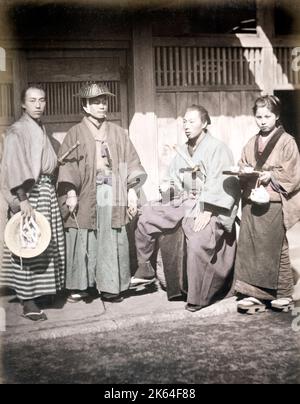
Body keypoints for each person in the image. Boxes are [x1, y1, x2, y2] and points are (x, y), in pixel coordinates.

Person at [132, 105, 240, 312]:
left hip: (211, 206)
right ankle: (144, 268)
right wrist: (168, 188)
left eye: (191, 121)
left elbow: (224, 183)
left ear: (205, 123)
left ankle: (198, 297)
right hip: (185, 202)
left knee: (198, 239)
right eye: (184, 122)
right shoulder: (182, 151)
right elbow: (173, 179)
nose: (186, 126)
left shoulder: (218, 149)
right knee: (146, 216)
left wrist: (208, 210)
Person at [57, 82, 147, 303]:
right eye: (96, 102)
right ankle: (81, 286)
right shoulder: (75, 133)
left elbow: (130, 162)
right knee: (82, 234)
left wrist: (131, 192)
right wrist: (70, 192)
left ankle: (111, 286)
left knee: (111, 234)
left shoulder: (118, 132)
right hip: (85, 189)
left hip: (112, 187)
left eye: (104, 101)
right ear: (85, 106)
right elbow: (67, 165)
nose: (101, 105)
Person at [0, 85, 65, 321]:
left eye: (42, 100)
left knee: (45, 244)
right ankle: (28, 301)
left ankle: (42, 293)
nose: (38, 105)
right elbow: (13, 166)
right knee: (28, 244)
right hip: (29, 194)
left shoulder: (39, 128)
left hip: (45, 192)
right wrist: (23, 199)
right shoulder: (17, 131)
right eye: (33, 101)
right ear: (23, 104)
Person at [235, 95, 300, 314]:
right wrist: (243, 172)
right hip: (252, 200)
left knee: (274, 247)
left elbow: (292, 174)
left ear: (277, 116)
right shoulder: (251, 142)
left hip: (273, 201)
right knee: (250, 246)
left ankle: (281, 294)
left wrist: (270, 175)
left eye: (267, 116)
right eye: (258, 116)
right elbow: (243, 163)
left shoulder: (287, 141)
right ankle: (253, 294)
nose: (262, 121)